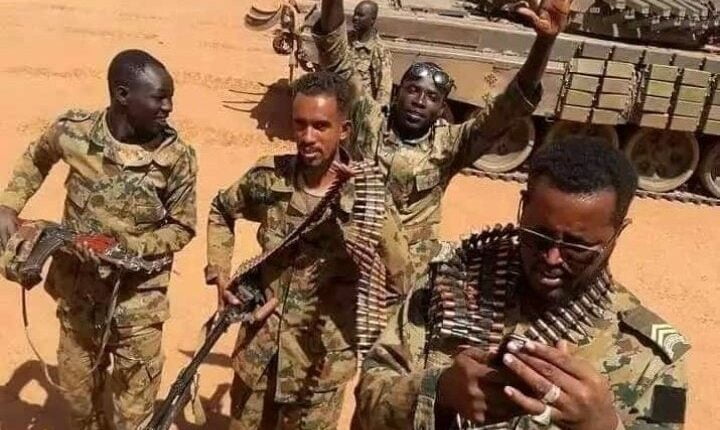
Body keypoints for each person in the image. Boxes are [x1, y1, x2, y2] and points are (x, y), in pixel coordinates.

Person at [354, 138, 689, 429]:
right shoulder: (448, 283)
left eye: (577, 246)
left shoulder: (657, 360)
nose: (552, 258)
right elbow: (369, 394)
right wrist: (438, 390)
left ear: (617, 234)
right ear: (524, 205)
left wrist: (605, 426)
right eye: (538, 237)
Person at [0, 50, 197, 429]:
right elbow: (36, 157)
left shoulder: (176, 158)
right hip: (79, 297)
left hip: (137, 304)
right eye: (159, 97)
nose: (168, 107)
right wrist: (9, 204)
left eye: (170, 97)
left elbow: (182, 227)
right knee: (79, 404)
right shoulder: (74, 132)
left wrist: (126, 250)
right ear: (123, 95)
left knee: (134, 417)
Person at [205, 71, 412, 429]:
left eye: (320, 126)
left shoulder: (367, 199)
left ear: (344, 130)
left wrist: (359, 323)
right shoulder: (270, 178)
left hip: (317, 372)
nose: (307, 137)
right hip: (259, 352)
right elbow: (221, 210)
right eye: (299, 124)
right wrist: (220, 274)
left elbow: (401, 280)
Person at [314, 0, 571, 276]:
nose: (419, 101)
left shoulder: (450, 145)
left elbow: (510, 106)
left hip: (405, 274)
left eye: (432, 97)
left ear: (441, 109)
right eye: (413, 90)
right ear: (397, 93)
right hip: (346, 259)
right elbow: (335, 54)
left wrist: (545, 42)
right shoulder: (368, 119)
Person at [348, 0, 393, 105]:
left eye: (360, 15)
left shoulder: (379, 49)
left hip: (361, 107)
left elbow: (384, 88)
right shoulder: (347, 40)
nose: (355, 18)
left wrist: (378, 111)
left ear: (372, 20)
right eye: (355, 14)